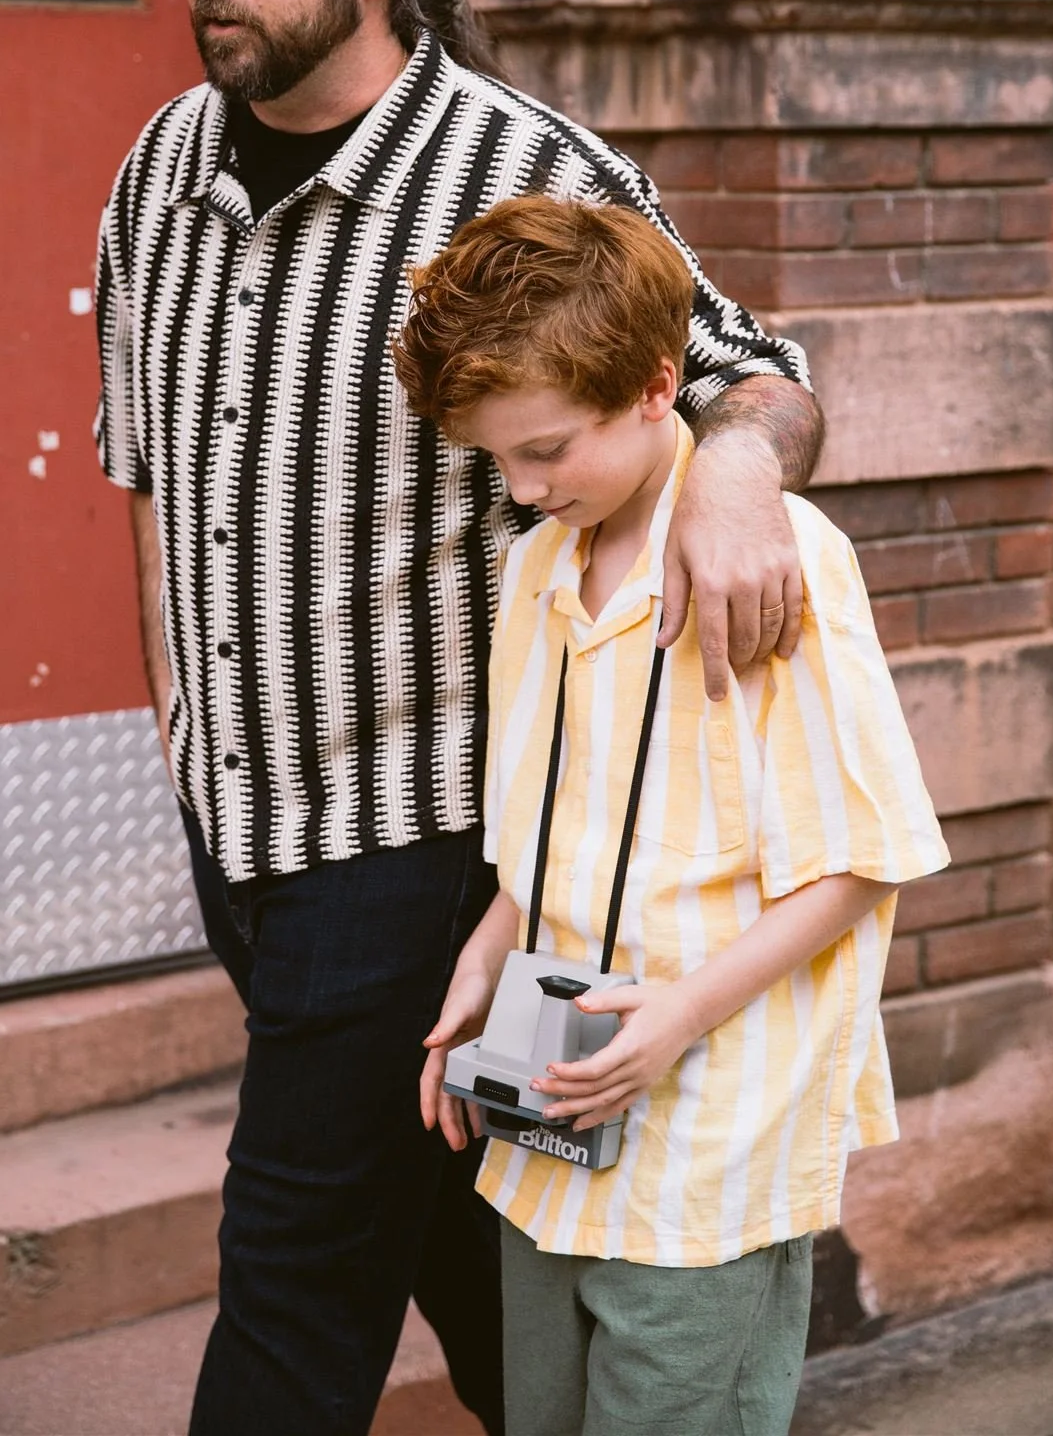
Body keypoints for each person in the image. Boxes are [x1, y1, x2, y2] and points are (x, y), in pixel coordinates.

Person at [92, 0, 824, 1436]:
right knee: (460, 1242)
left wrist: (732, 478)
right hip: (240, 829)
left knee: (292, 1277)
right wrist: (181, 738)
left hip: (421, 839)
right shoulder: (155, 170)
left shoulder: (519, 168)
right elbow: (148, 480)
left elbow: (747, 375)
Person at [398, 196, 948, 1436]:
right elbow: (554, 823)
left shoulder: (780, 556)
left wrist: (676, 1019)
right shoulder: (537, 564)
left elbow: (863, 857)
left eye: (547, 448)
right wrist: (486, 955)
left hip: (714, 1138)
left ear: (658, 384)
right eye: (494, 458)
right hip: (554, 1111)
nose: (523, 487)